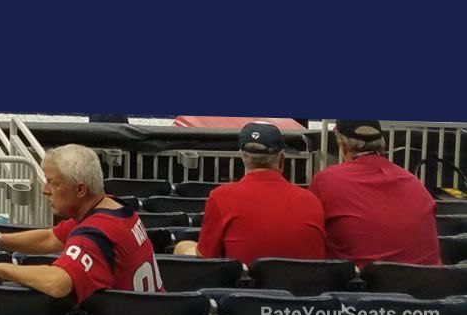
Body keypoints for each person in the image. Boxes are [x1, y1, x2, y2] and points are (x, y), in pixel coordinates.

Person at [0, 143, 161, 301]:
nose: (45, 189)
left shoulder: (94, 233)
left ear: (80, 190)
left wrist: (0, 269)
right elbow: (50, 238)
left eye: (53, 183)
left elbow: (57, 283)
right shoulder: (114, 209)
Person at [173, 123, 325, 263]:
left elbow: (205, 258)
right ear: (281, 159)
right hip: (302, 290)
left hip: (243, 290)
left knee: (183, 247)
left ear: (243, 158)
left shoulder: (221, 197)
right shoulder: (312, 201)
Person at [308, 120, 440, 265]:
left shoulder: (326, 181)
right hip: (426, 284)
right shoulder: (414, 183)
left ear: (342, 145)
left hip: (358, 284)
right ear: (382, 144)